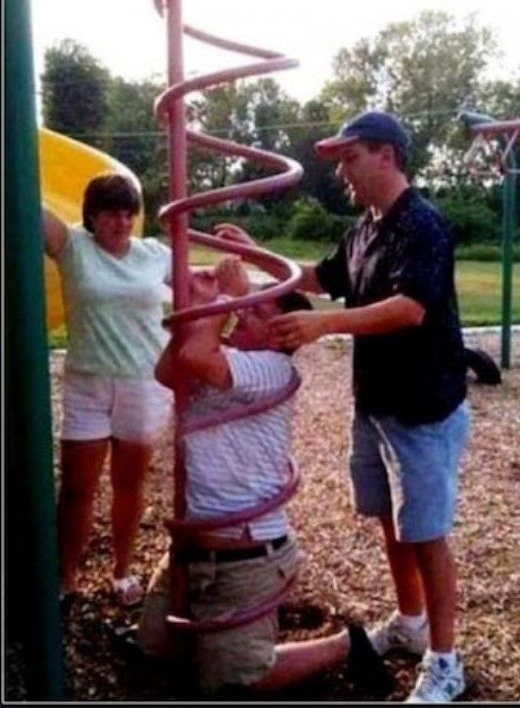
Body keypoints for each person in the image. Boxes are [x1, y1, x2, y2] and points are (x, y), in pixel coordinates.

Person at [214, 110, 471, 703]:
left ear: (387, 154)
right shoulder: (364, 230)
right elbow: (319, 275)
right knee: (393, 523)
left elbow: (410, 308)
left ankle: (446, 659)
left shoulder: (422, 224)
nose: (342, 173)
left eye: (350, 158)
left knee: (427, 534)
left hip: (423, 409)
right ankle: (410, 623)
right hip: (377, 404)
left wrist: (324, 325)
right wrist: (260, 258)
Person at [135, 256, 395, 697]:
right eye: (246, 306)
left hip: (244, 558)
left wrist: (223, 298)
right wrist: (199, 308)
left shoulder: (271, 370)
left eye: (255, 311)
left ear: (281, 335)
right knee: (154, 649)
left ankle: (346, 645)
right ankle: (211, 641)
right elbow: (168, 370)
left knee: (235, 681)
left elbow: (196, 354)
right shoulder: (230, 358)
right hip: (189, 549)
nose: (243, 312)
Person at [43, 172, 173, 608]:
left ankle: (121, 571)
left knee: (128, 484)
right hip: (88, 383)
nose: (120, 222)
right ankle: (66, 579)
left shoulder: (154, 254)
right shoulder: (73, 247)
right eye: (110, 214)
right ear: (91, 217)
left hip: (143, 381)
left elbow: (203, 280)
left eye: (127, 213)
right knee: (77, 487)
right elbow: (26, 202)